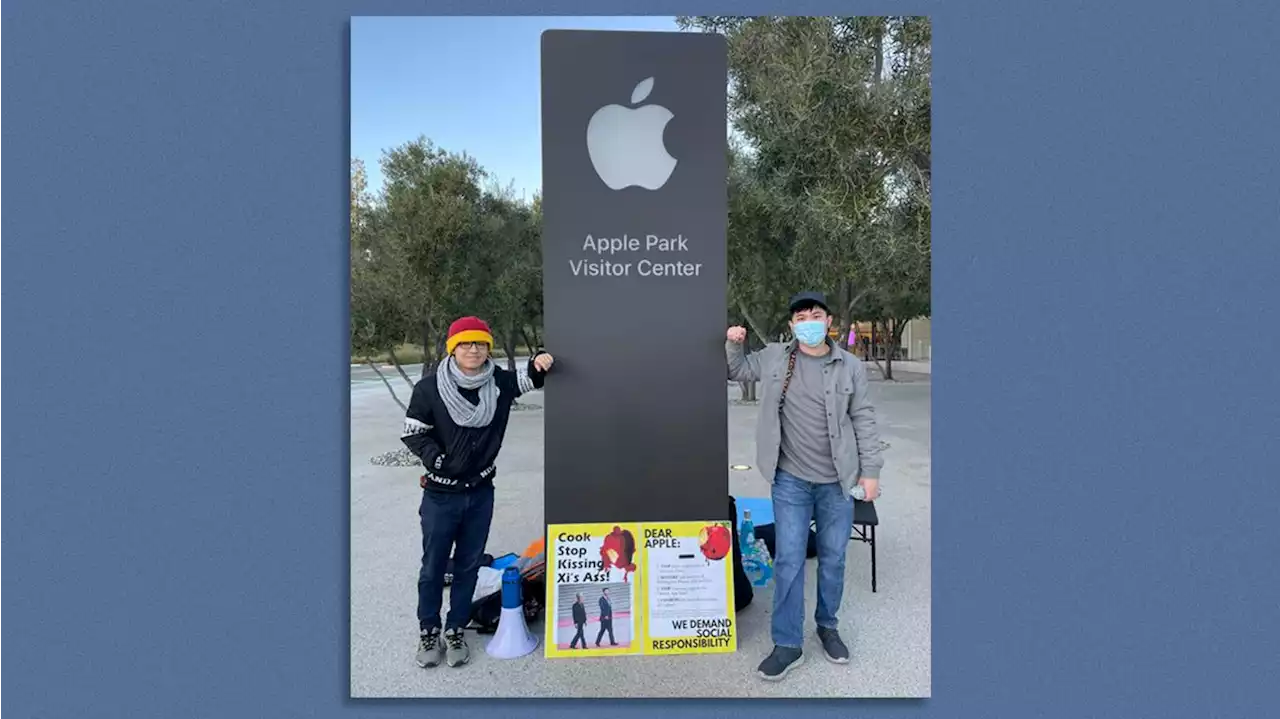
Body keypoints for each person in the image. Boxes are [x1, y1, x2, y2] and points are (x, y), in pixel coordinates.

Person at [725, 291, 884, 681]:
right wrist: (733, 343)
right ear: (792, 325)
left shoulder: (850, 366)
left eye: (815, 315)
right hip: (790, 480)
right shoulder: (777, 356)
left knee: (833, 559)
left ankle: (827, 627)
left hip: (838, 482)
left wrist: (871, 472)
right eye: (800, 317)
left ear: (828, 322)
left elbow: (863, 418)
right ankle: (787, 644)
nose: (808, 321)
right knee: (790, 561)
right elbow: (740, 371)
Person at [401, 316, 555, 669]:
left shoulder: (498, 382)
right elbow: (413, 432)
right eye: (466, 344)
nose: (474, 350)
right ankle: (429, 630)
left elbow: (530, 378)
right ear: (453, 349)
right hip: (441, 495)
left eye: (481, 343)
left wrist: (540, 361)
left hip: (480, 492)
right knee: (433, 567)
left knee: (469, 565)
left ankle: (455, 629)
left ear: (489, 347)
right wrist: (436, 460)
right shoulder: (428, 388)